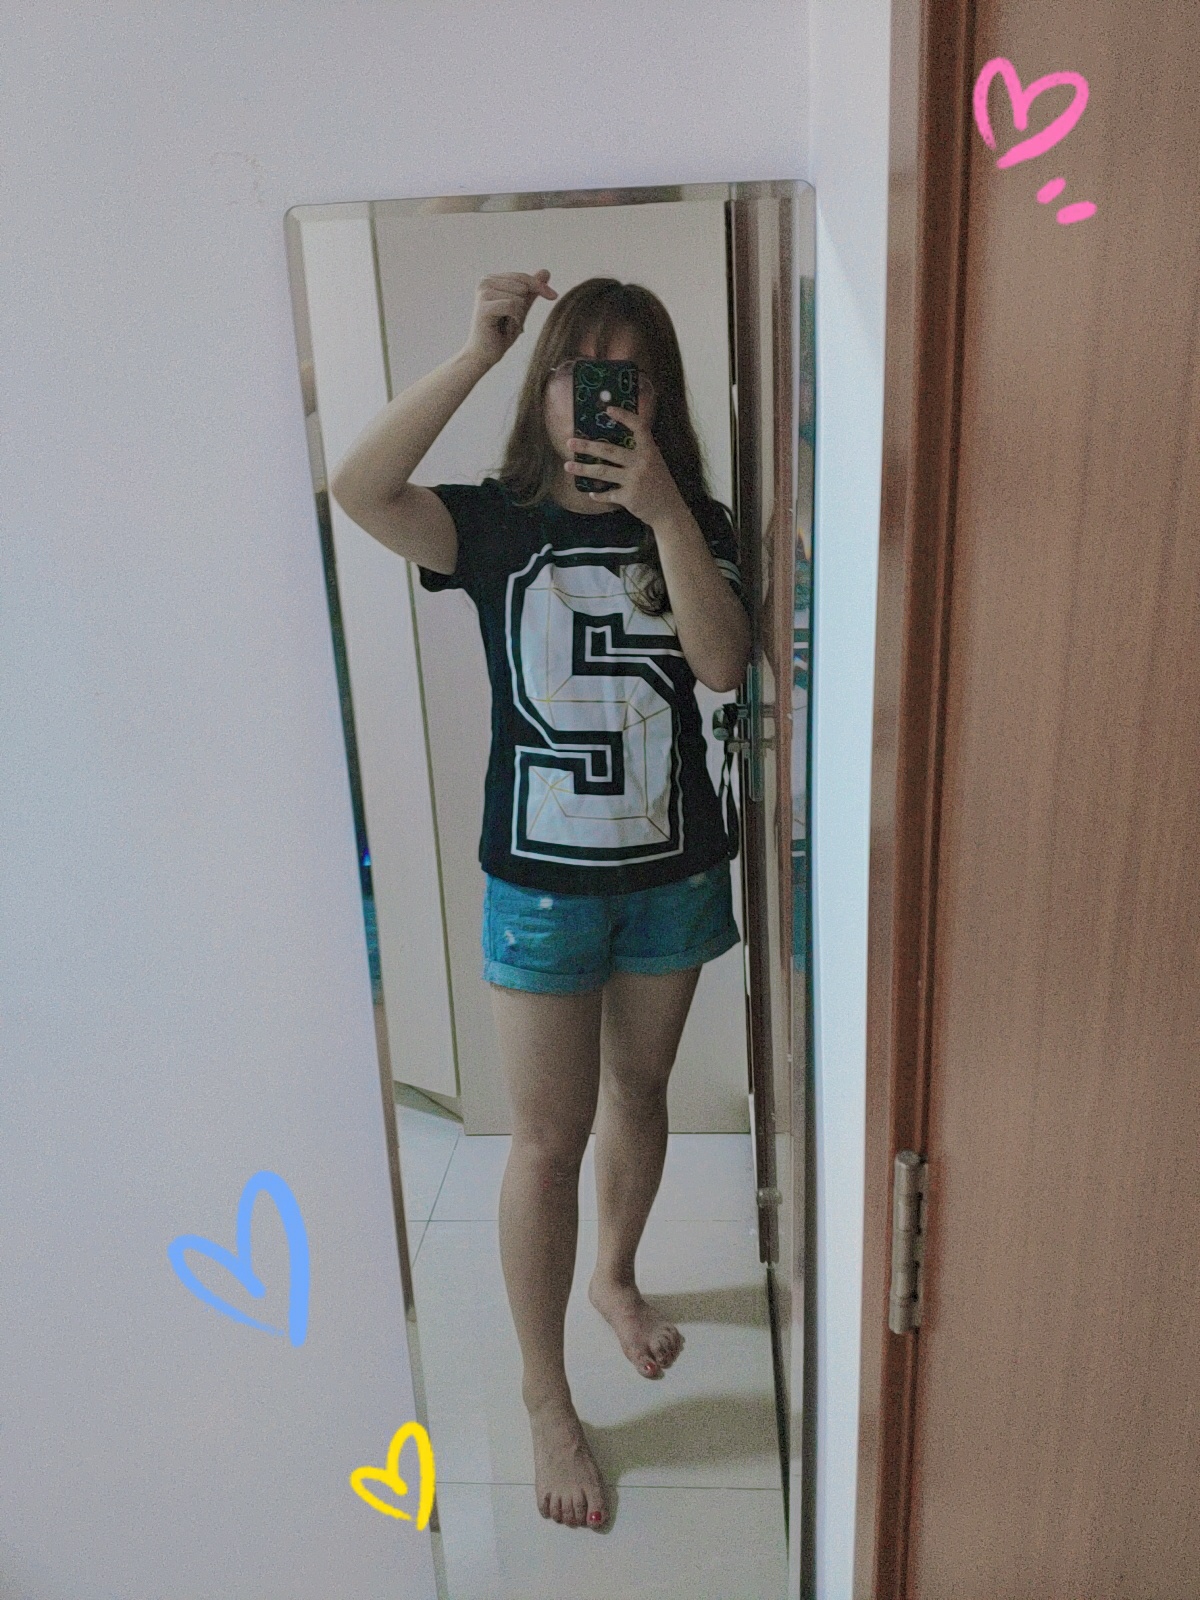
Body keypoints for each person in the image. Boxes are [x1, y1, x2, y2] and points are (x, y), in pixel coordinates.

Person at [331, 270, 752, 1532]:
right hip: (539, 889)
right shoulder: (494, 525)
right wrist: (476, 349)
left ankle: (615, 1278)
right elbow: (359, 488)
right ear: (547, 384)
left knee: (642, 1092)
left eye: (630, 374)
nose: (601, 395)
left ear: (659, 397)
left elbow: (723, 664)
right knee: (545, 1142)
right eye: (580, 368)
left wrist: (664, 510)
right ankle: (544, 1394)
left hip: (674, 874)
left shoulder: (699, 521)